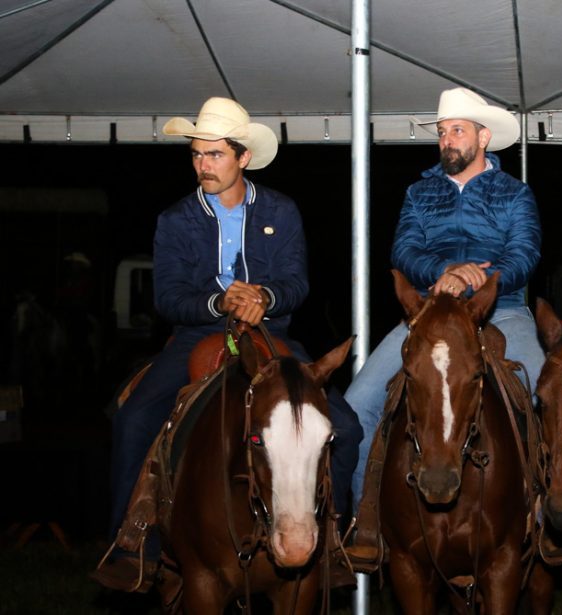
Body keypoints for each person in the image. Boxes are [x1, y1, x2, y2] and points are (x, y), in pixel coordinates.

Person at [92, 97, 361, 590]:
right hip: (199, 333)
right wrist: (220, 303)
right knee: (134, 419)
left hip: (270, 333)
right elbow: (169, 297)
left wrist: (265, 296)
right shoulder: (176, 219)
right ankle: (131, 546)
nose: (202, 165)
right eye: (196, 154)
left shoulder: (281, 209)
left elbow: (297, 283)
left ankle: (334, 540)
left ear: (243, 157)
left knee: (343, 424)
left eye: (214, 154)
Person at [345, 87, 544, 514]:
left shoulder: (514, 193)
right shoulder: (419, 193)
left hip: (502, 309)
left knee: (543, 393)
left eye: (457, 130)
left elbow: (525, 254)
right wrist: (444, 273)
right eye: (442, 132)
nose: (448, 140)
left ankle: (542, 519)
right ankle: (365, 520)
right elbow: (403, 250)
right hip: (429, 311)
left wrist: (481, 278)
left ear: (483, 137)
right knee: (357, 404)